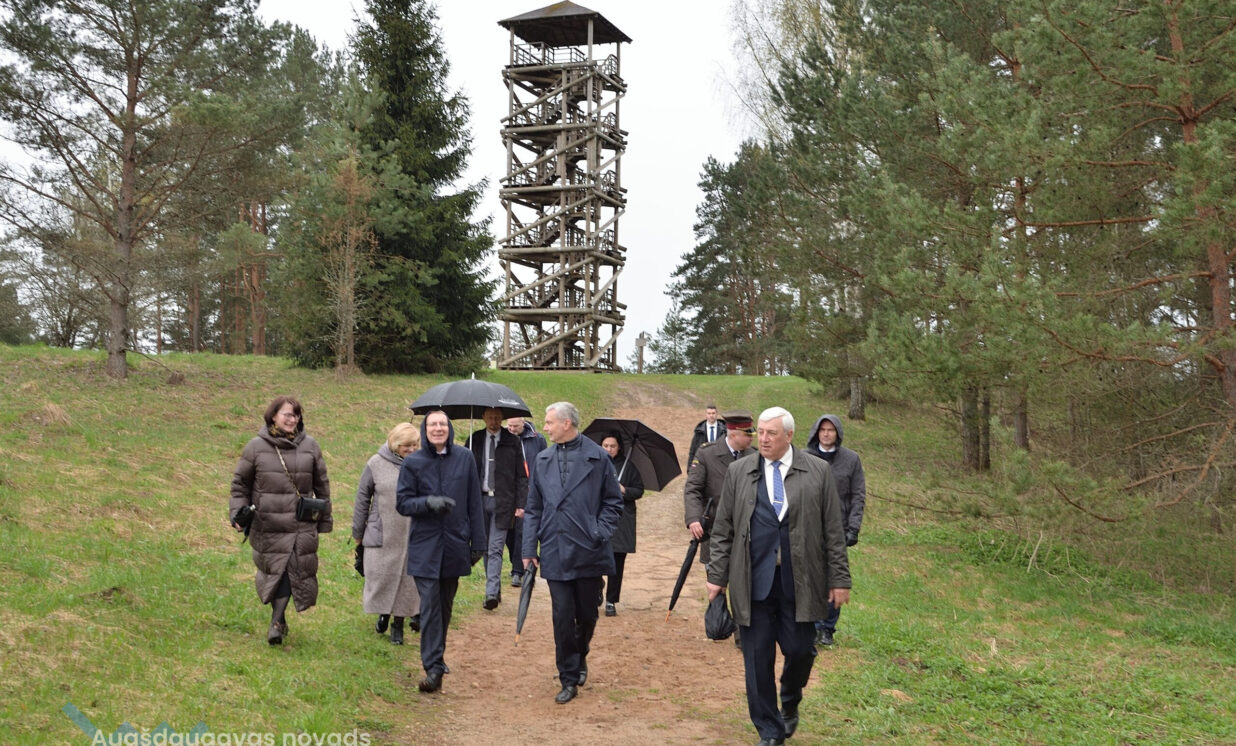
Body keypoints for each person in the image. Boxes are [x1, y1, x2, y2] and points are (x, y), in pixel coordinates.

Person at [706, 407, 851, 746]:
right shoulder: (740, 471)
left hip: (799, 582)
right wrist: (717, 576)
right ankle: (770, 732)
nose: (764, 439)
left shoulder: (817, 471)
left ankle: (790, 697)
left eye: (771, 433)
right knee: (757, 661)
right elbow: (724, 528)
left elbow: (833, 530)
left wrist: (839, 578)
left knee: (800, 651)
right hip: (752, 581)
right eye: (760, 432)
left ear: (789, 435)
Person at [522, 401, 623, 705]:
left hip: (589, 550)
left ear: (566, 424)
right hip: (555, 548)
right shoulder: (542, 459)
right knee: (562, 616)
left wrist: (599, 531)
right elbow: (533, 507)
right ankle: (568, 675)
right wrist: (528, 547)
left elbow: (613, 502)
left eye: (549, 422)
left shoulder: (598, 457)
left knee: (587, 615)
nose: (545, 427)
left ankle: (580, 653)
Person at [230, 395, 332, 646]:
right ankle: (280, 620)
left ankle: (276, 622)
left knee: (292, 569)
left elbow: (322, 485)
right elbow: (240, 484)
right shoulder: (255, 447)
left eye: (296, 415)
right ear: (273, 416)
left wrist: (325, 520)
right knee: (276, 570)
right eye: (287, 414)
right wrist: (237, 513)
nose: (292, 419)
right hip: (268, 524)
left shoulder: (311, 446)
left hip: (300, 523)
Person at [396, 410, 486, 694]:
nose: (438, 428)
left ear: (449, 428)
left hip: (455, 544)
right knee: (431, 606)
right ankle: (433, 667)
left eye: (442, 424)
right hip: (425, 546)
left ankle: (437, 654)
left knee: (445, 607)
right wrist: (427, 503)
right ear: (425, 429)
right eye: (433, 424)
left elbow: (474, 502)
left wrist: (479, 542)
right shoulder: (413, 462)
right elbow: (403, 503)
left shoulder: (465, 458)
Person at [683, 409, 757, 645]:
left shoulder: (755, 456)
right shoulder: (707, 453)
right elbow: (692, 489)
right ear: (733, 434)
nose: (752, 438)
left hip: (747, 531)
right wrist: (694, 518)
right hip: (715, 531)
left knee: (743, 584)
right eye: (747, 434)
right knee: (717, 581)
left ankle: (743, 635)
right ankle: (720, 622)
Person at [352, 422, 422, 645]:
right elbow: (362, 497)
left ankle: (397, 626)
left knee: (407, 581)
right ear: (395, 444)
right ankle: (384, 612)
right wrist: (358, 532)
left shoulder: (422, 464)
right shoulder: (376, 463)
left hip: (411, 531)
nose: (412, 449)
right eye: (406, 445)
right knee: (383, 576)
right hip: (383, 531)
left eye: (415, 444)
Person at [804, 414, 866, 647]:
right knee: (810, 578)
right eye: (823, 430)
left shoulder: (851, 460)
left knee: (834, 577)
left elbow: (858, 495)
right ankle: (810, 626)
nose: (826, 434)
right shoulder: (805, 457)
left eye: (831, 430)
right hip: (809, 528)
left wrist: (853, 528)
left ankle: (827, 628)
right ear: (816, 432)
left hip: (838, 528)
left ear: (838, 433)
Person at [469, 407, 528, 610]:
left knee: (495, 547)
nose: (493, 421)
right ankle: (494, 589)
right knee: (485, 547)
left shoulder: (513, 441)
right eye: (490, 417)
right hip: (479, 500)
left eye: (497, 417)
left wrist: (521, 504)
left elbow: (522, 476)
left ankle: (491, 592)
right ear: (483, 418)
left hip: (504, 502)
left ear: (502, 418)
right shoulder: (474, 440)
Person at [599, 433, 644, 617]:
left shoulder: (629, 467)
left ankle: (611, 600)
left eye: (612, 446)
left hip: (621, 520)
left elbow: (639, 490)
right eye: (605, 445)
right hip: (599, 518)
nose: (609, 449)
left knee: (616, 562)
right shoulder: (594, 464)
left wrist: (624, 490)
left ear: (619, 448)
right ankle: (597, 587)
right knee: (595, 557)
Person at [506, 416, 546, 588]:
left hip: (530, 490)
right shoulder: (504, 438)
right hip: (508, 491)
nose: (512, 429)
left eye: (515, 426)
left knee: (523, 530)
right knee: (509, 532)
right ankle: (517, 561)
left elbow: (544, 462)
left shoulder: (537, 439)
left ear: (523, 423)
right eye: (509, 426)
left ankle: (518, 571)